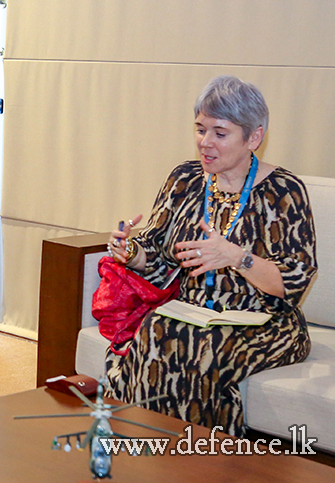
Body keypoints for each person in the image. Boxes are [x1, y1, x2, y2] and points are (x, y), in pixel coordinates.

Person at [104, 75, 316, 436]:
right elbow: (161, 261)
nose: (205, 143)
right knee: (155, 331)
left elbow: (291, 285)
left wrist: (236, 256)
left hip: (266, 320)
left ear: (254, 137)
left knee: (205, 352)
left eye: (220, 133)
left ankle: (211, 463)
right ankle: (145, 450)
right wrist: (131, 253)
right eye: (200, 130)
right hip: (194, 311)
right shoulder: (185, 179)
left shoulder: (284, 191)